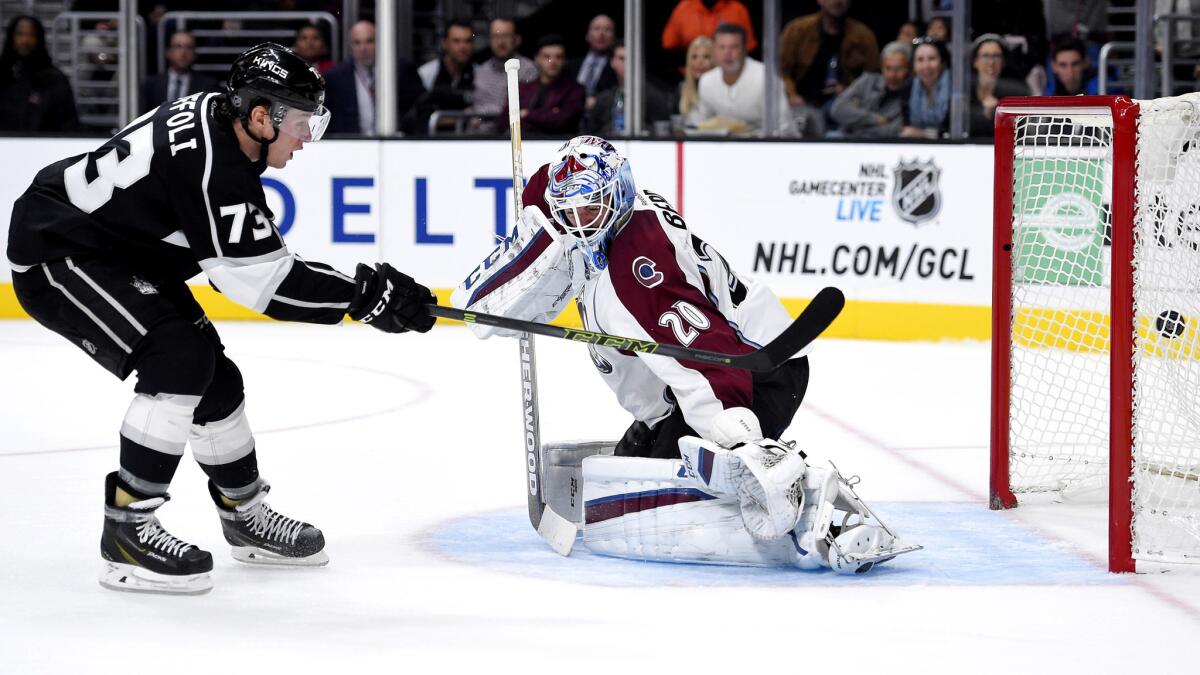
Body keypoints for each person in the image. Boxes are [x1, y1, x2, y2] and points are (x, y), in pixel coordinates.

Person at [6, 43, 437, 595]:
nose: (308, 136)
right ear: (260, 117)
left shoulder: (219, 121)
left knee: (215, 376)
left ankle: (244, 516)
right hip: (59, 253)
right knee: (177, 358)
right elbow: (264, 284)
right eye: (302, 121)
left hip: (118, 251)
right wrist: (366, 296)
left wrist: (361, 293)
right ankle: (126, 530)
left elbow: (242, 263)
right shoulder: (215, 168)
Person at [450, 136, 915, 572]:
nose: (577, 222)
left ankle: (808, 507)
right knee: (640, 466)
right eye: (567, 210)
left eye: (589, 208)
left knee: (681, 497)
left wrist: (737, 436)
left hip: (752, 374)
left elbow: (705, 364)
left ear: (616, 196)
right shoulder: (613, 217)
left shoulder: (637, 272)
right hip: (717, 363)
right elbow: (550, 184)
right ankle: (667, 430)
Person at [323, 20, 424, 135]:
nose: (363, 48)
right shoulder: (335, 78)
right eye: (357, 42)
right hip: (351, 145)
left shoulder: (402, 70)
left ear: (380, 42)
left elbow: (420, 107)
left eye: (369, 41)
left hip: (396, 142)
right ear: (350, 46)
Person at [779, 0, 881, 113]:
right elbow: (781, 71)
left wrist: (851, 92)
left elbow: (873, 79)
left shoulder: (863, 36)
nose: (837, 1)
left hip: (843, 106)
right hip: (802, 102)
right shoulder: (797, 30)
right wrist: (792, 95)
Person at [692, 24, 791, 136]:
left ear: (745, 49)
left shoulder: (765, 78)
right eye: (721, 47)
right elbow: (701, 124)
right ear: (714, 49)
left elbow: (783, 125)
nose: (727, 53)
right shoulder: (707, 81)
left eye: (733, 47)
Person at [0, 15, 79, 132]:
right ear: (11, 37)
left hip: (45, 146)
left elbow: (68, 123)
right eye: (20, 34)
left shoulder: (54, 79)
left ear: (39, 39)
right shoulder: (3, 75)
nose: (25, 40)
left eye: (31, 35)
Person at [583, 41, 673, 137]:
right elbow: (590, 133)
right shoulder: (604, 98)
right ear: (612, 62)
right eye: (622, 58)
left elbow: (662, 133)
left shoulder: (654, 96)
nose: (627, 64)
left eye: (631, 59)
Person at [829, 41, 912, 138]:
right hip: (846, 138)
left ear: (908, 69)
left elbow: (892, 131)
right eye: (888, 68)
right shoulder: (868, 80)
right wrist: (874, 119)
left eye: (898, 69)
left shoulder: (910, 95)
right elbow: (837, 109)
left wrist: (855, 118)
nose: (892, 75)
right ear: (881, 67)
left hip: (879, 144)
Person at [509, 34, 585, 137]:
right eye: (547, 57)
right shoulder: (523, 88)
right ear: (536, 58)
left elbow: (562, 121)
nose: (553, 61)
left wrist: (527, 114)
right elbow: (504, 120)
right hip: (523, 145)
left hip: (560, 146)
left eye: (558, 57)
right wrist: (549, 114)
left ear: (565, 60)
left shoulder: (575, 90)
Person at [409, 17, 475, 135]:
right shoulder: (427, 74)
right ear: (445, 43)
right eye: (456, 41)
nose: (462, 46)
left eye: (467, 41)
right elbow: (420, 116)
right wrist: (462, 118)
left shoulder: (479, 74)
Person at [471, 17, 537, 133]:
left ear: (516, 39)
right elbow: (475, 112)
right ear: (490, 40)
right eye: (496, 36)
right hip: (479, 138)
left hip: (513, 137)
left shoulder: (528, 69)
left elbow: (522, 109)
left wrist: (483, 114)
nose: (501, 41)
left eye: (506, 36)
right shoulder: (481, 71)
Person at [140, 31, 217, 113]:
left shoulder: (207, 85)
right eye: (178, 46)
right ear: (168, 52)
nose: (183, 53)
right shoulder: (151, 85)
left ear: (194, 54)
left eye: (189, 47)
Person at [969, 34, 1029, 138]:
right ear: (975, 61)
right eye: (985, 56)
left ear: (1003, 62)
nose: (991, 62)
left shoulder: (1016, 92)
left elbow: (1026, 130)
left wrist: (1002, 114)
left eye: (996, 56)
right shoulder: (963, 90)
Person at [661, 0, 757, 54]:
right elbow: (668, 47)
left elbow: (749, 49)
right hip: (688, 77)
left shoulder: (738, 11)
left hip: (729, 77)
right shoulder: (683, 8)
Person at [564, 14, 618, 106]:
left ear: (614, 37)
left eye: (607, 30)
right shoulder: (570, 66)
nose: (601, 34)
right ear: (587, 35)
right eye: (596, 29)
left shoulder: (617, 66)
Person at [901, 37, 949, 138]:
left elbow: (954, 131)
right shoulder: (908, 88)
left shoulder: (955, 88)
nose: (926, 66)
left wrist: (924, 134)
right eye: (920, 60)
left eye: (932, 59)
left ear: (942, 62)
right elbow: (906, 128)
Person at [677, 35, 713, 121]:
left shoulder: (723, 91)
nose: (699, 62)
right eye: (694, 57)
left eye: (706, 57)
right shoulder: (681, 90)